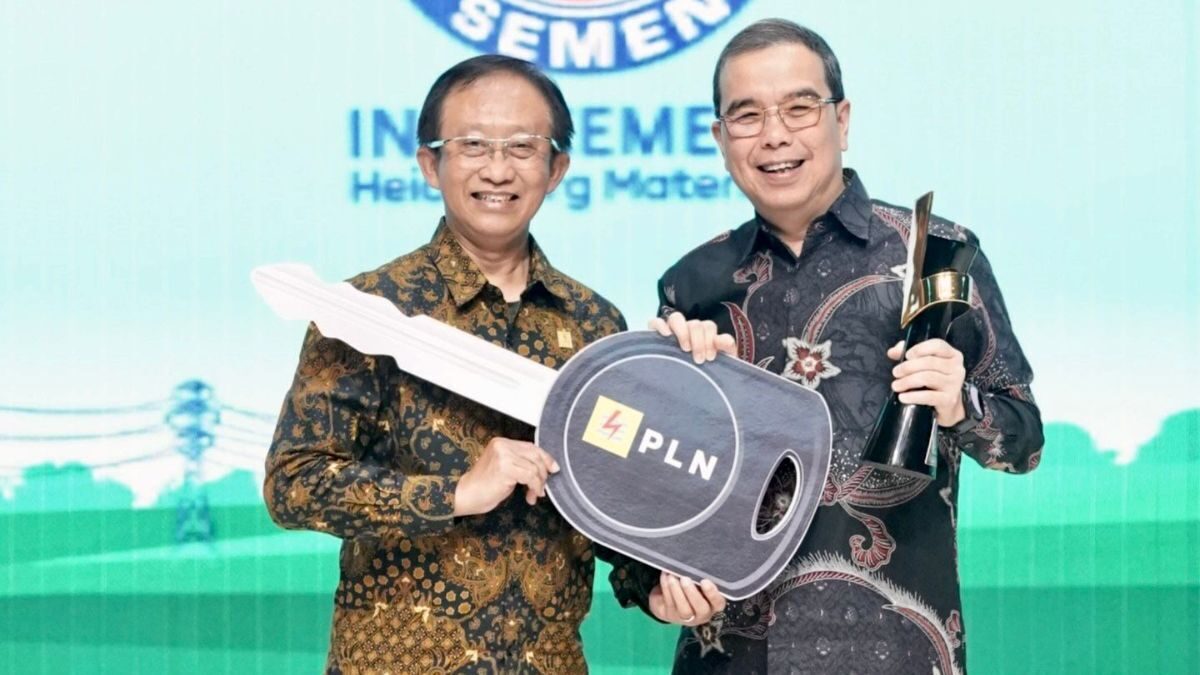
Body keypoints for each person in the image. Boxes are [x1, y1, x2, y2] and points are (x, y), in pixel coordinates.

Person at [608, 19, 1044, 674]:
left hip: (896, 650)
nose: (774, 135)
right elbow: (650, 491)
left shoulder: (934, 255)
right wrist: (655, 586)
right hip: (731, 655)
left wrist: (960, 406)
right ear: (720, 139)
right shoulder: (692, 285)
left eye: (799, 107)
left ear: (842, 119)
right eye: (747, 115)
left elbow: (1025, 443)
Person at [263, 54, 628, 674]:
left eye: (522, 147)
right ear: (430, 164)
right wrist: (455, 493)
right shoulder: (367, 311)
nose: (497, 169)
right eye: (473, 145)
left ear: (556, 168)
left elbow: (616, 501)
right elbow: (293, 484)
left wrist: (659, 586)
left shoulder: (596, 326)